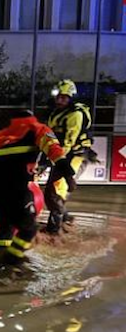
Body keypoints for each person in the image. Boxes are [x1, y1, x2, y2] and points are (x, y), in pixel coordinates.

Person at [0, 110, 76, 265]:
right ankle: (11, 260)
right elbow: (55, 151)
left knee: (6, 229)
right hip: (16, 187)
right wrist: (68, 175)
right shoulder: (38, 128)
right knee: (29, 229)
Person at [44, 79, 95, 234]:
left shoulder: (75, 115)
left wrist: (53, 160)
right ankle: (66, 219)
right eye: (58, 96)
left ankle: (54, 233)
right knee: (49, 193)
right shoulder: (55, 114)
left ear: (71, 98)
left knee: (56, 193)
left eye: (64, 97)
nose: (59, 100)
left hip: (75, 156)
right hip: (61, 157)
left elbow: (68, 142)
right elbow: (49, 138)